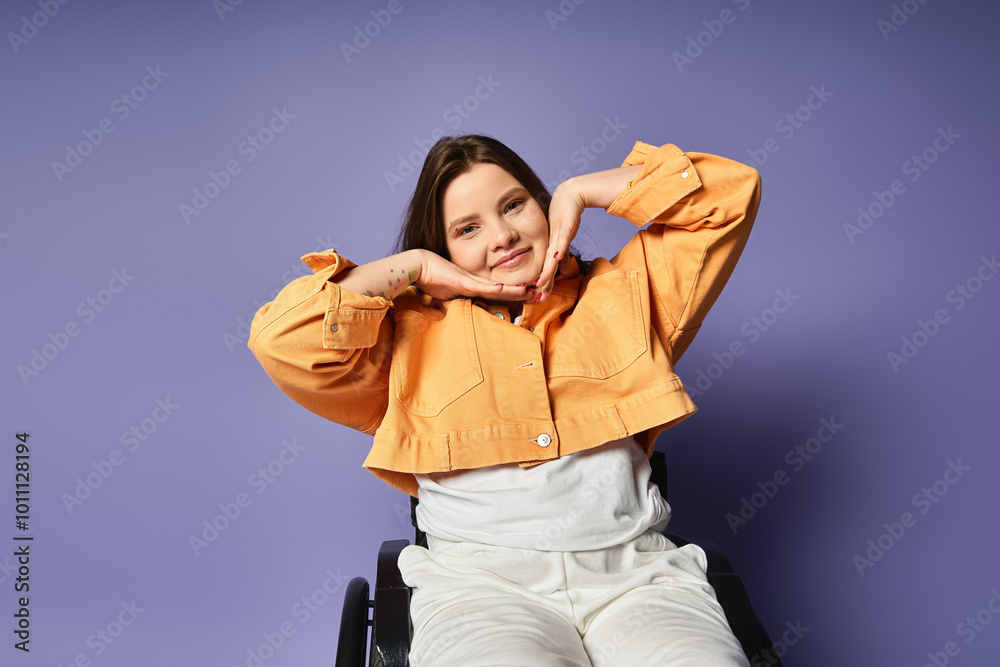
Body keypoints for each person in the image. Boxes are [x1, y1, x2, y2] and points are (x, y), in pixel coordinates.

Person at [248, 134, 761, 666]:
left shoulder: (628, 293)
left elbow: (729, 194)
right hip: (481, 593)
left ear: (541, 204)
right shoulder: (404, 335)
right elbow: (281, 339)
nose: (504, 236)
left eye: (514, 205)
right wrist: (415, 268)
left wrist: (582, 190)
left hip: (637, 581)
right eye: (468, 229)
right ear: (444, 248)